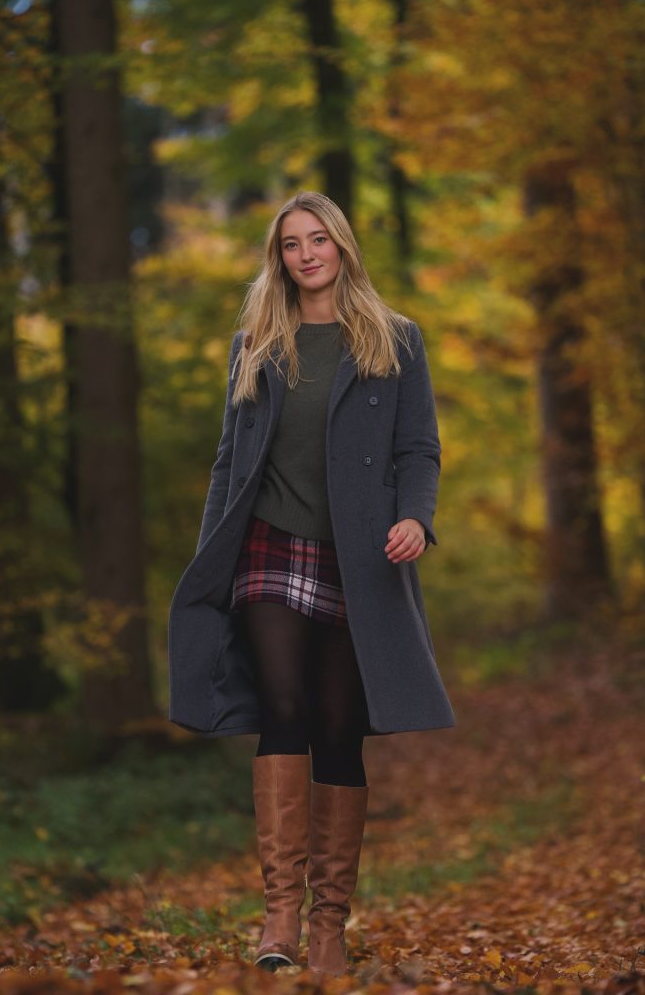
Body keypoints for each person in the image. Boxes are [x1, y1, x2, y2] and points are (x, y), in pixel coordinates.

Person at [169, 190, 455, 977]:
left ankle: (330, 923)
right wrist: (212, 559)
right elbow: (231, 460)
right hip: (266, 544)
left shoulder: (395, 340)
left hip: (358, 558)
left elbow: (419, 449)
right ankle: (281, 915)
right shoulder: (257, 343)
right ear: (280, 257)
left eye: (318, 238)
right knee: (284, 704)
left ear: (342, 247)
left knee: (338, 722)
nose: (306, 254)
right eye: (291, 243)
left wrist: (416, 519)